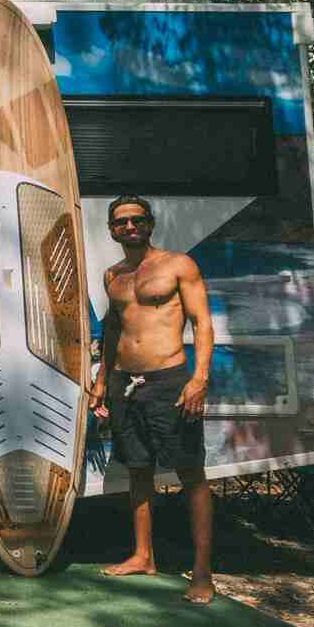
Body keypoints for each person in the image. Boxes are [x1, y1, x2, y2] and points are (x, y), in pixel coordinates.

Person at [89, 195, 216, 604]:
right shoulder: (113, 275)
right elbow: (113, 330)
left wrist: (199, 378)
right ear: (112, 229)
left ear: (150, 224)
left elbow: (202, 323)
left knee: (191, 474)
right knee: (138, 470)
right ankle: (143, 555)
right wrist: (101, 380)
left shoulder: (179, 265)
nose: (129, 227)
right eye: (121, 222)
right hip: (126, 383)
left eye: (137, 220)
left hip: (170, 380)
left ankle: (202, 573)